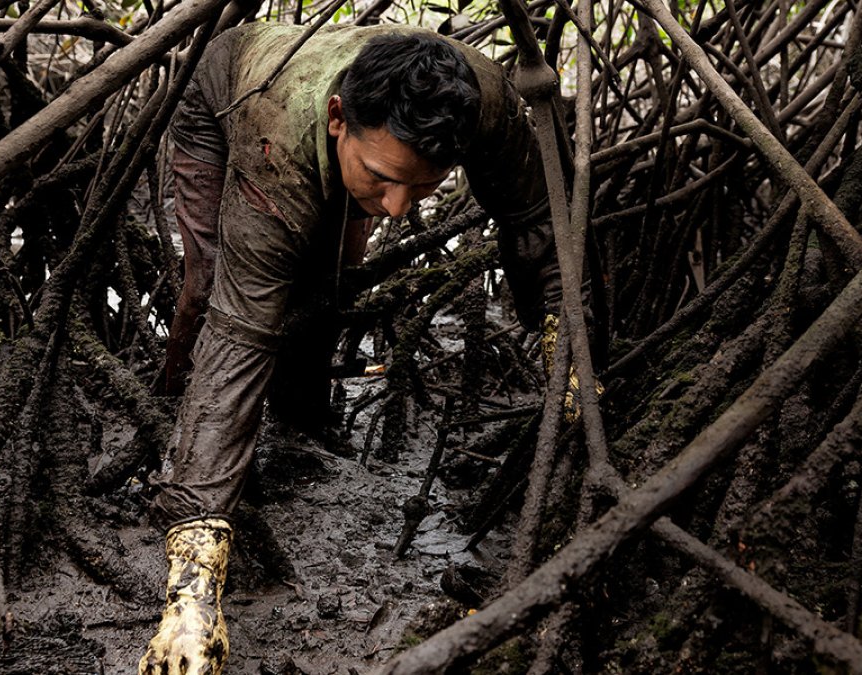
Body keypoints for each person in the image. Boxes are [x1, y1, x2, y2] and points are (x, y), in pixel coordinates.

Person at [138, 20, 567, 674]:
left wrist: (563, 342)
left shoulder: (484, 102)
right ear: (339, 118)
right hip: (228, 99)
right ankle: (174, 424)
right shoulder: (275, 132)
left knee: (326, 284)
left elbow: (536, 221)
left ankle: (301, 419)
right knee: (212, 287)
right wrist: (193, 587)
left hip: (318, 127)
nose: (397, 209)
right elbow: (240, 331)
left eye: (422, 190)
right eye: (383, 179)